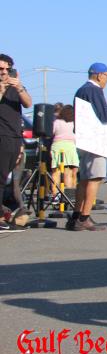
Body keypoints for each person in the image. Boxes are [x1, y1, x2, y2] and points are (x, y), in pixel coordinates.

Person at [68, 63, 107, 231]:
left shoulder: (81, 90)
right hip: (95, 142)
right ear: (99, 75)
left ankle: (75, 216)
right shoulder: (95, 90)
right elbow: (104, 117)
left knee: (84, 179)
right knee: (95, 178)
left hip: (84, 139)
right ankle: (84, 218)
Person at [0, 54, 32, 232]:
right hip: (2, 136)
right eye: (1, 69)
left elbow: (28, 103)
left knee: (8, 179)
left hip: (15, 137)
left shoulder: (16, 87)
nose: (4, 72)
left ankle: (8, 214)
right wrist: (1, 90)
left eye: (8, 69)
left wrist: (19, 87)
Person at [50, 104, 79, 203]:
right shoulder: (74, 123)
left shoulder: (56, 122)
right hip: (70, 146)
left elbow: (51, 133)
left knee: (56, 172)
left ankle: (55, 196)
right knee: (68, 172)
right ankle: (69, 196)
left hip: (57, 145)